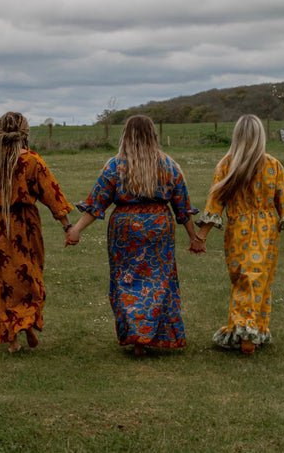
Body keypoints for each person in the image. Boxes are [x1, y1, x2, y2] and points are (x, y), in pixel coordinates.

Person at [66, 115, 198, 355]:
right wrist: (193, 237)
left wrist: (76, 229)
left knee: (126, 280)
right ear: (153, 135)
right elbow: (182, 207)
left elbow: (98, 203)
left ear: (125, 135)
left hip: (125, 227)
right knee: (159, 281)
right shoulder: (169, 165)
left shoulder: (115, 166)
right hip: (159, 226)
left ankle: (138, 335)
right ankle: (152, 333)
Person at [0, 112, 74, 353]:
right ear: (25, 133)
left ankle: (12, 339)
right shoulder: (33, 161)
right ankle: (27, 321)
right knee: (29, 274)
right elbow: (52, 195)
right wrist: (67, 226)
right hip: (25, 224)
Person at [191, 114, 284, 355]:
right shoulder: (247, 165)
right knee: (250, 279)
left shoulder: (236, 165)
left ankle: (250, 332)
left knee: (250, 279)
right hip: (264, 231)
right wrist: (200, 237)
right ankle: (247, 331)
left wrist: (201, 236)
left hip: (240, 230)